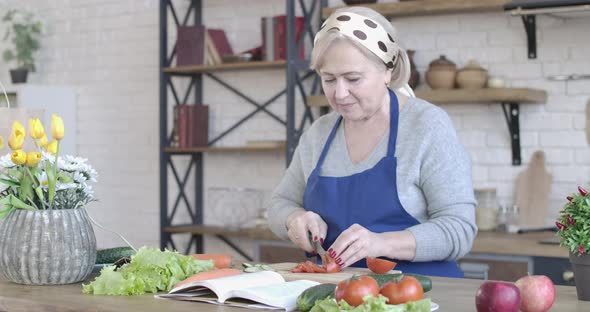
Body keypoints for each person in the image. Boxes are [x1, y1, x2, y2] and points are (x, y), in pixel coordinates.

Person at [268, 6, 477, 278]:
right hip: (337, 296)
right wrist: (294, 219)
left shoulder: (426, 126)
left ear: (387, 71)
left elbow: (459, 230)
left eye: (353, 78)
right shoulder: (318, 135)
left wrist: (380, 243)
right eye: (328, 79)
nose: (340, 93)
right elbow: (279, 204)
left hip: (421, 295)